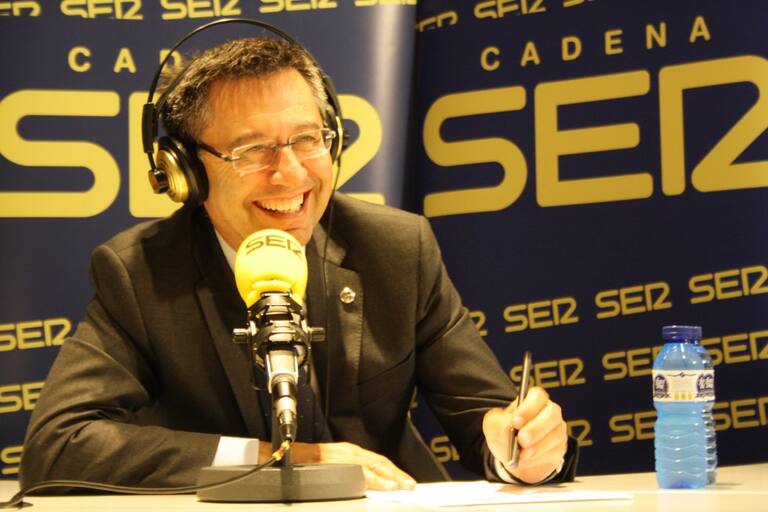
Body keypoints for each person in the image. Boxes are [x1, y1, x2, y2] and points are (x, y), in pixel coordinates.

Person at [20, 35, 577, 492]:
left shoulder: (396, 249)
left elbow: (486, 417)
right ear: (185, 170)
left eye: (308, 139)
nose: (290, 173)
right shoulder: (141, 273)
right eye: (251, 150)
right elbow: (59, 445)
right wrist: (284, 459)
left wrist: (523, 449)